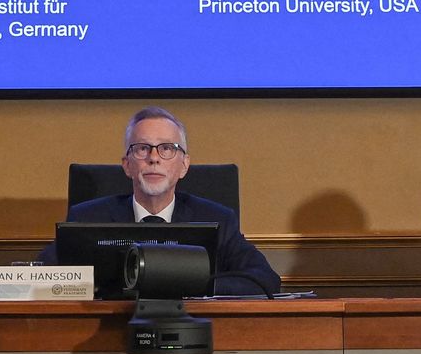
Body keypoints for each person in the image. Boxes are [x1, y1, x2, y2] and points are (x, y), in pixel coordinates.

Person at [53, 106, 281, 295]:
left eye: (167, 149)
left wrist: (188, 286)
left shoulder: (218, 219)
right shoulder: (88, 218)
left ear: (184, 165)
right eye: (142, 148)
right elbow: (41, 275)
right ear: (127, 165)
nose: (154, 158)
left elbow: (264, 279)